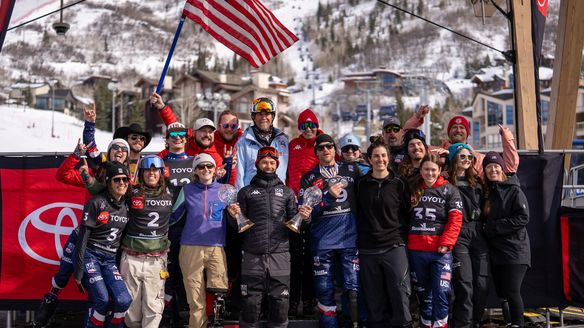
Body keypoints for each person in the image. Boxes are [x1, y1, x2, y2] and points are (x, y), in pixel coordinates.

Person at [227, 146, 311, 327]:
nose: (268, 165)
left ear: (277, 165)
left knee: (280, 306)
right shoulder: (246, 192)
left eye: (272, 162)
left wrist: (304, 217)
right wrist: (232, 215)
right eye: (264, 162)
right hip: (253, 254)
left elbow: (295, 226)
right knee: (250, 306)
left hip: (280, 254)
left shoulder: (287, 192)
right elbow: (237, 226)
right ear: (258, 164)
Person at [300, 134, 361, 328]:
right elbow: (307, 215)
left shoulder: (351, 170)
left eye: (329, 146)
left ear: (335, 149)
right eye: (321, 148)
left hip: (349, 238)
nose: (325, 150)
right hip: (322, 241)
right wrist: (326, 197)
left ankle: (355, 324)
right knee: (324, 291)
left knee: (353, 290)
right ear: (316, 152)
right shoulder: (309, 177)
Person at [355, 136, 412, 328]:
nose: (381, 160)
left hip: (394, 245)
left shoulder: (399, 183)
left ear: (388, 158)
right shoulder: (361, 184)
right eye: (376, 156)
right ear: (369, 159)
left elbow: (408, 213)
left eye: (384, 156)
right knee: (374, 298)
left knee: (400, 293)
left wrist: (402, 239)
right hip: (367, 248)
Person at [170, 153, 232, 328]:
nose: (206, 169)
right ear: (195, 171)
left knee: (219, 293)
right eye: (201, 167)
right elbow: (174, 216)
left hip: (216, 246)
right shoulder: (187, 189)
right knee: (195, 299)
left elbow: (236, 217)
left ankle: (216, 323)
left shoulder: (224, 190)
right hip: (191, 246)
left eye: (209, 166)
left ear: (214, 170)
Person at [72, 162, 132, 328]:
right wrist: (78, 270)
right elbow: (82, 237)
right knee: (102, 300)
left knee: (124, 300)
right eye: (117, 180)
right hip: (91, 255)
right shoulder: (96, 203)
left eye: (125, 179)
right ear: (108, 182)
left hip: (110, 259)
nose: (122, 183)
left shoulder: (127, 205)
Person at [408, 154, 463, 328]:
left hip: (440, 252)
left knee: (441, 293)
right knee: (424, 295)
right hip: (416, 250)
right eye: (426, 169)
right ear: (421, 170)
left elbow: (455, 220)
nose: (430, 173)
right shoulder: (411, 188)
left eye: (433, 169)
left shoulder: (450, 190)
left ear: (440, 170)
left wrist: (446, 243)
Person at [120, 155, 173, 328]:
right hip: (131, 257)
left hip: (156, 259)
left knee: (154, 306)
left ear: (161, 172)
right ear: (141, 173)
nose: (152, 173)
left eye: (155, 170)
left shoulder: (172, 193)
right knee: (130, 308)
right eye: (148, 170)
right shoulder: (130, 192)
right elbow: (106, 190)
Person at [482, 151, 530, 328]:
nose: (493, 169)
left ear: (502, 168)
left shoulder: (514, 189)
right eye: (488, 167)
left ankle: (518, 324)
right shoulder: (487, 192)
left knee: (512, 290)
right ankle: (510, 323)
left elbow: (523, 217)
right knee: (502, 293)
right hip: (496, 252)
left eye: (496, 166)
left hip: (515, 252)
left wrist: (494, 227)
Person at [446, 143, 489, 328]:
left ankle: (476, 322)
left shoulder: (478, 181)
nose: (466, 160)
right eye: (462, 156)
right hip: (458, 233)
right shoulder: (445, 182)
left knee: (481, 283)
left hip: (478, 233)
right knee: (465, 284)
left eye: (469, 157)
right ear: (454, 158)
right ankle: (463, 324)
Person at [286, 108, 321, 317]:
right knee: (295, 256)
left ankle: (310, 300)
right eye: (304, 125)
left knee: (312, 257)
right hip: (293, 207)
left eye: (311, 125)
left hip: (314, 207)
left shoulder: (323, 144)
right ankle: (293, 301)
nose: (308, 129)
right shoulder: (293, 145)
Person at [150, 92, 224, 167]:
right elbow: (174, 126)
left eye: (210, 132)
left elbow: (224, 177)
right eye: (203, 131)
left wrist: (230, 164)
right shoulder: (183, 145)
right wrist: (162, 107)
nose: (207, 135)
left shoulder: (216, 159)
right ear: (194, 133)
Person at [235, 97, 289, 190]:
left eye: (267, 113)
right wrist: (241, 199)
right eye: (259, 114)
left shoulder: (283, 141)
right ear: (253, 117)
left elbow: (288, 172)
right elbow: (238, 175)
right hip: (253, 197)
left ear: (272, 116)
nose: (263, 117)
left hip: (278, 196)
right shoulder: (243, 142)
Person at [440, 117, 519, 177]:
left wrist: (507, 139)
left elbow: (509, 169)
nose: (458, 130)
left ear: (468, 133)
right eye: (454, 127)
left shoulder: (480, 159)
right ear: (448, 132)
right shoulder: (437, 154)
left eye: (462, 127)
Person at [214, 110, 243, 186]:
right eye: (225, 125)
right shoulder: (211, 142)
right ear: (219, 126)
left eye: (233, 126)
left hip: (240, 190)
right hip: (217, 190)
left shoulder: (243, 141)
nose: (229, 129)